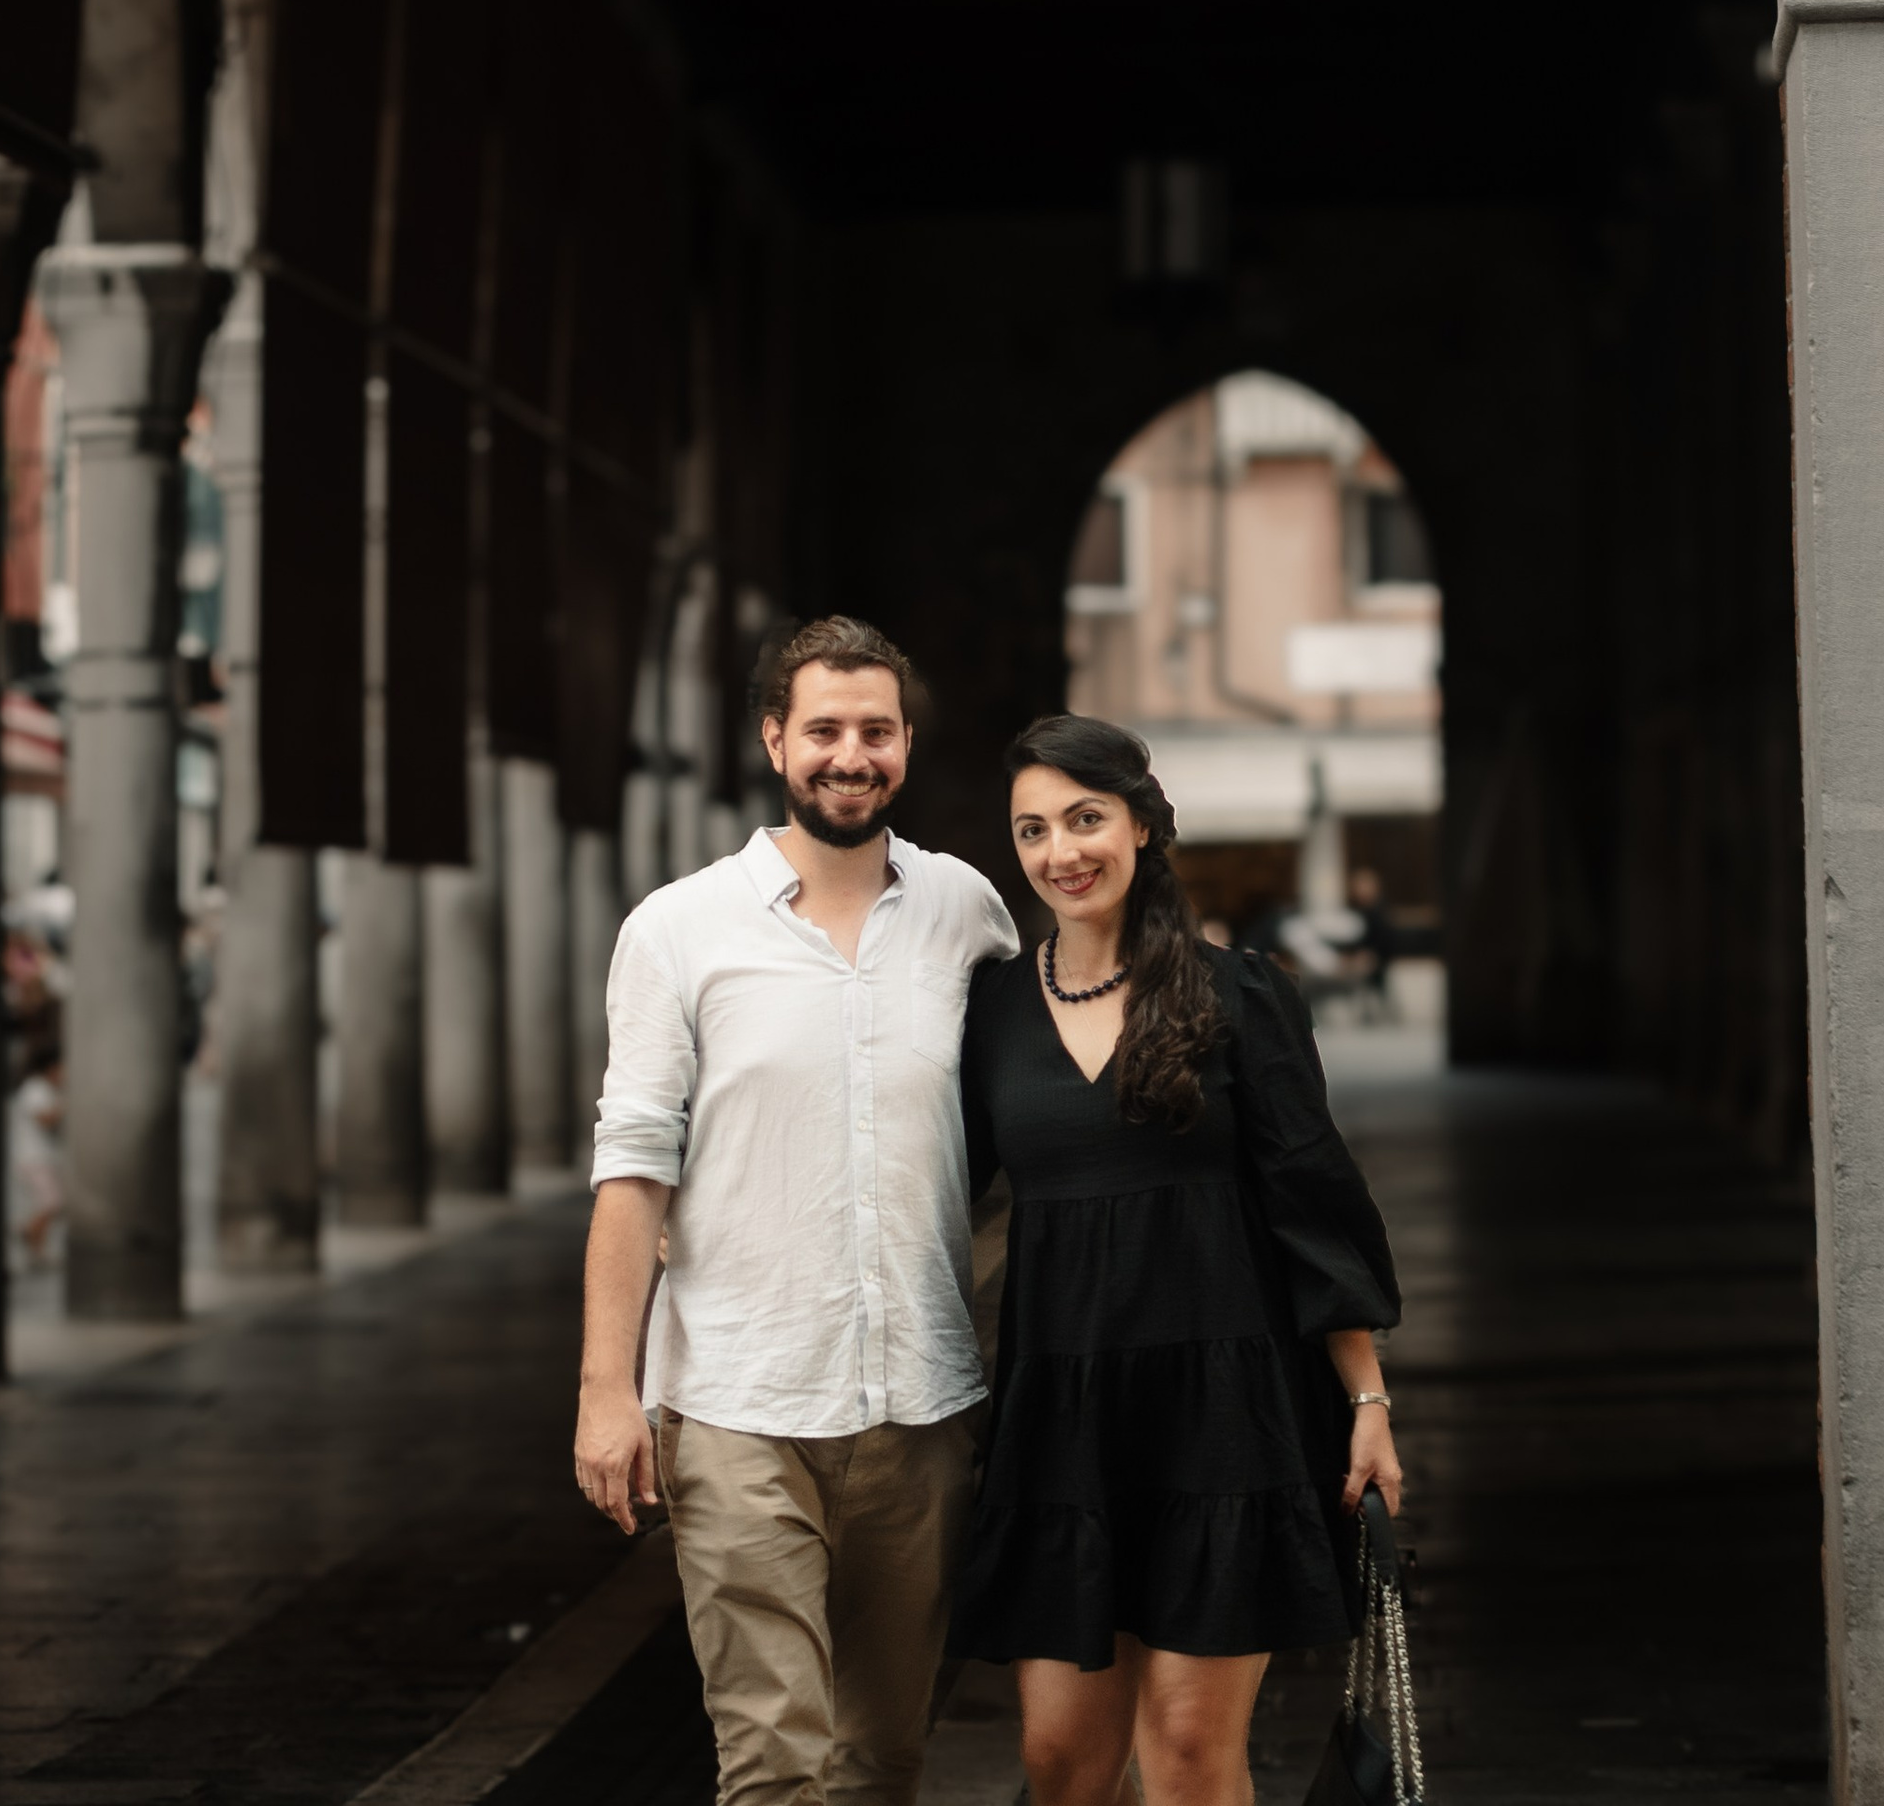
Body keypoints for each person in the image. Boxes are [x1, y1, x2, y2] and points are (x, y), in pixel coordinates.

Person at [575, 615, 1020, 1806]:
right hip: (736, 1403)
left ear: (906, 746)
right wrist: (605, 1393)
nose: (849, 754)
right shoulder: (678, 929)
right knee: (771, 1764)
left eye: (874, 730)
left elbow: (1034, 1131)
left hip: (920, 1407)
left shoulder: (968, 914)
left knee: (883, 1762)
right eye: (822, 728)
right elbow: (633, 1166)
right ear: (776, 741)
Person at [952, 714, 1403, 1806]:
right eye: (1032, 829)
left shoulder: (1241, 995)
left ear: (1144, 826)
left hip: (1225, 1413)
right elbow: (925, 1200)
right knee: (1060, 1761)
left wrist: (1369, 1401)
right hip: (1061, 1419)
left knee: (1190, 1751)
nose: (1062, 850)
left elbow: (1313, 1206)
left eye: (1086, 818)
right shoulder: (989, 1014)